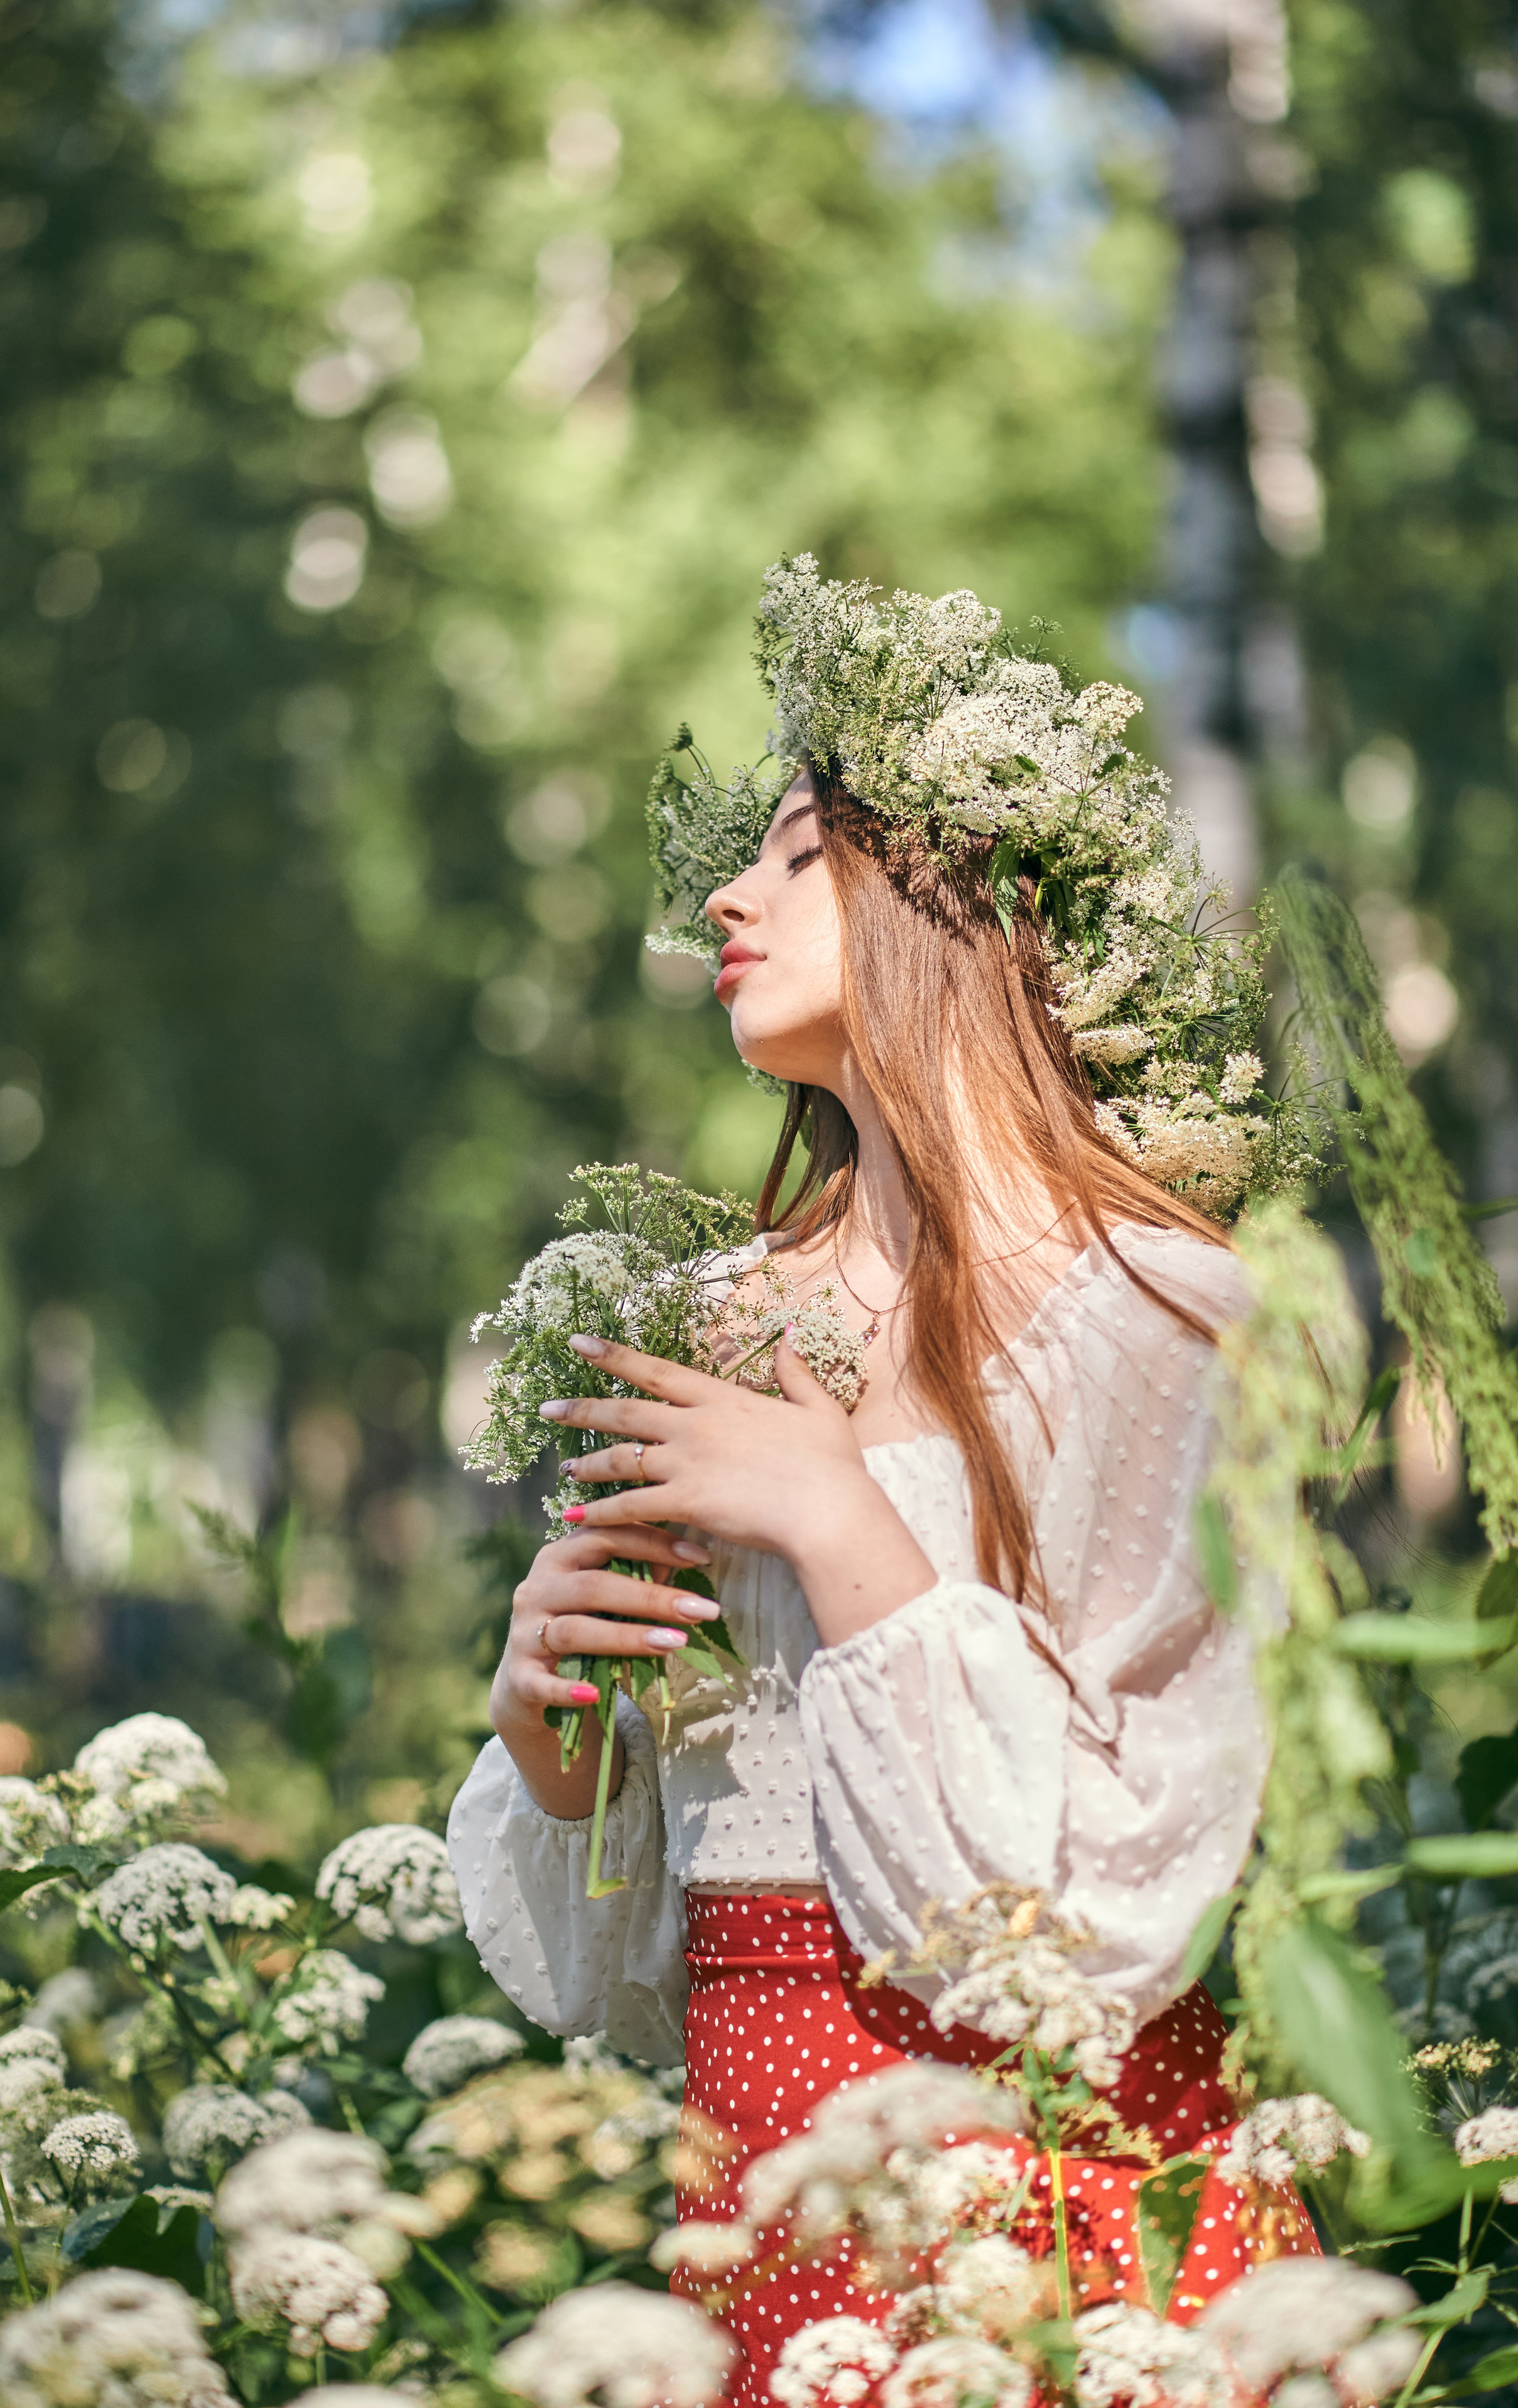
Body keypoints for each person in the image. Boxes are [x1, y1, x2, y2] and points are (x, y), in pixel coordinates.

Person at [448, 558, 1317, 2405]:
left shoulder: (1159, 1313)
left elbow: (1132, 1890)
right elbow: (640, 1917)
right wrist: (549, 1723)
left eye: (789, 851)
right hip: (762, 2168)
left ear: (957, 886)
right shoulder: (695, 1314)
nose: (722, 898)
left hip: (1076, 2190)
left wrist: (844, 1522)